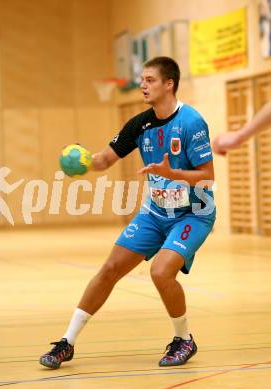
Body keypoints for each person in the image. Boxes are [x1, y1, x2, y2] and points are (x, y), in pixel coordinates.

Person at [39, 56, 216, 369]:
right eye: (142, 79)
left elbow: (207, 175)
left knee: (161, 271)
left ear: (169, 84)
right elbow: (105, 159)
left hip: (193, 213)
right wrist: (81, 162)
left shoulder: (191, 123)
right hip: (155, 213)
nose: (143, 85)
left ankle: (184, 339)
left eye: (149, 80)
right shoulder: (140, 124)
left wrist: (173, 174)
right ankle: (67, 342)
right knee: (109, 269)